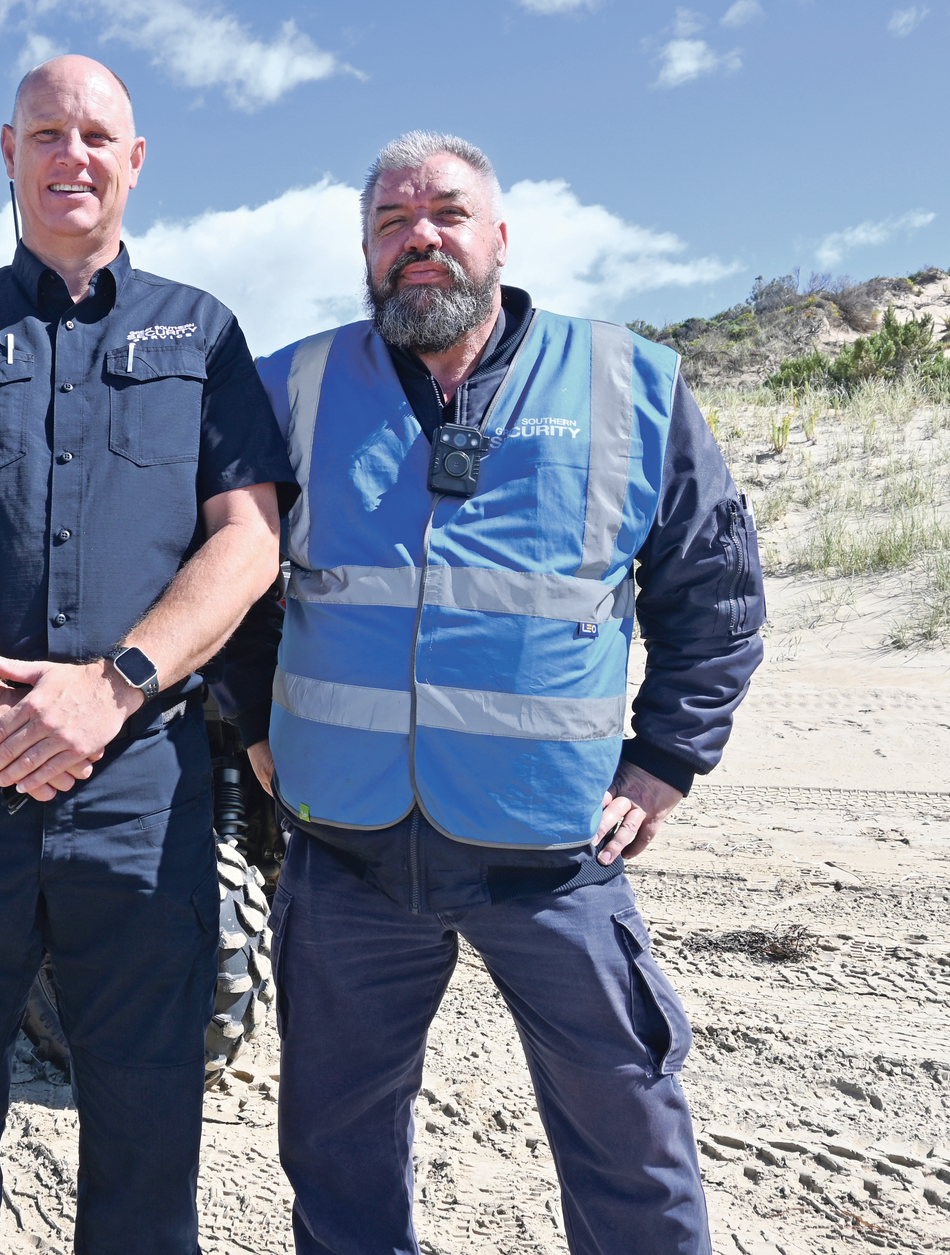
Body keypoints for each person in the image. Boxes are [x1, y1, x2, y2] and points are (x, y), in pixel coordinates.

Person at [237, 132, 766, 1255]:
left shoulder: (626, 381)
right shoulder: (293, 384)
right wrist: (250, 713)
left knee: (628, 1130)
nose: (415, 238)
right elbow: (222, 569)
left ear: (498, 237)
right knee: (333, 1146)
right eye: (388, 222)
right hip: (345, 849)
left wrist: (666, 755)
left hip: (554, 851)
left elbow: (712, 591)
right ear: (366, 251)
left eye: (444, 213)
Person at [0, 55, 292, 1254]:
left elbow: (247, 540)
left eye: (95, 134)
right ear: (9, 155)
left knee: (145, 1133)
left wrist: (109, 688)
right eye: (45, 133)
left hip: (138, 793)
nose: (70, 154)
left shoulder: (202, 332)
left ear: (134, 161)